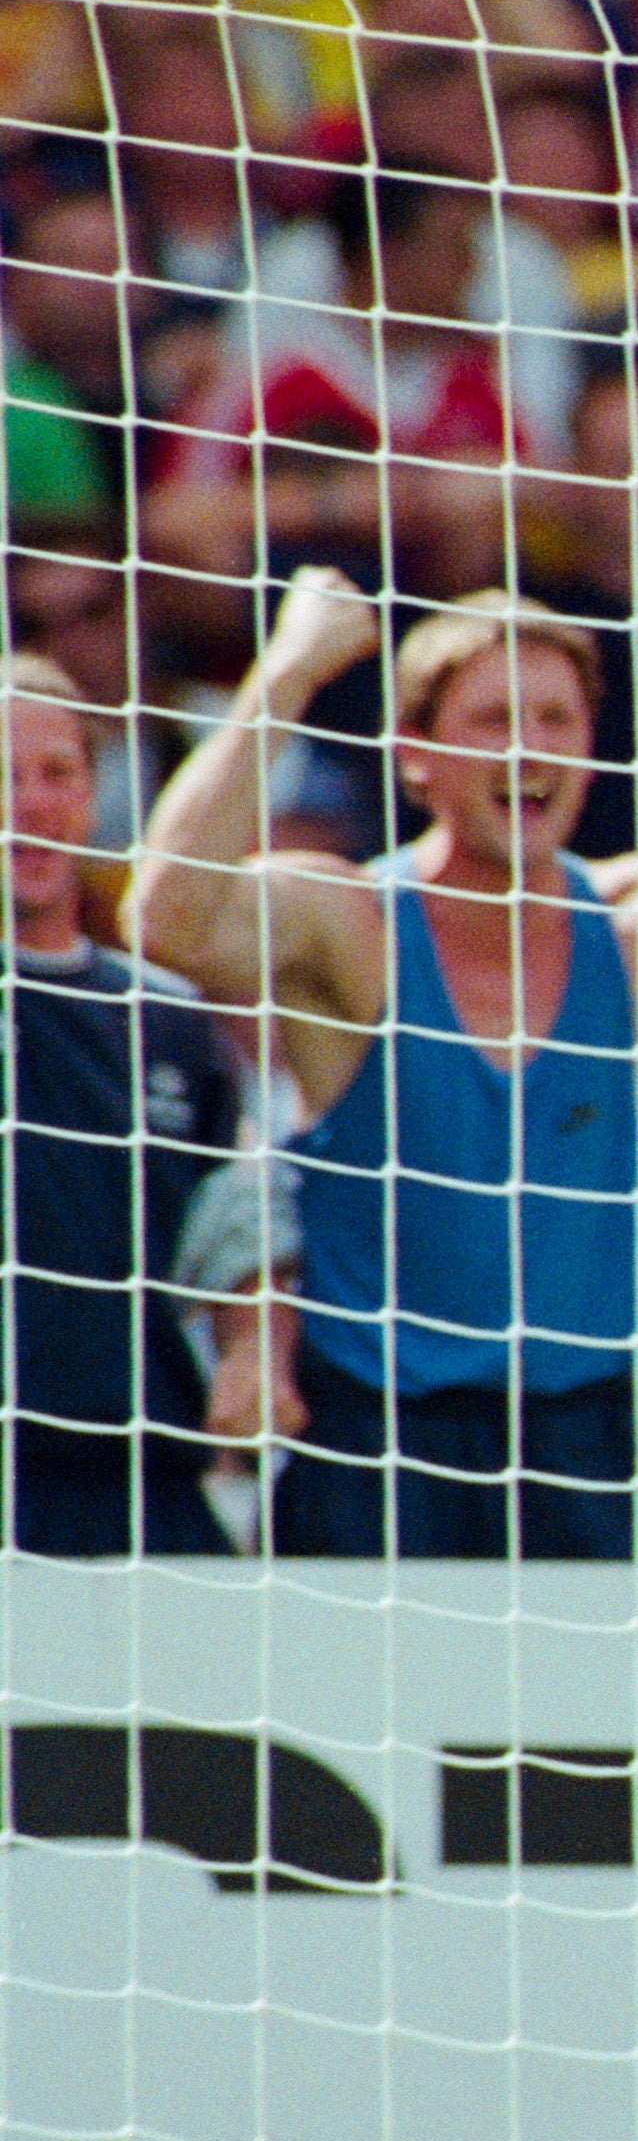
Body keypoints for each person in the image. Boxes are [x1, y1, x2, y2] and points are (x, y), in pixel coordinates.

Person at [125, 570, 638, 1558]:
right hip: (382, 1447)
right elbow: (164, 919)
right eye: (494, 718)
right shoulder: (351, 925)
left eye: (557, 719)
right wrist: (290, 672)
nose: (530, 748)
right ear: (415, 756)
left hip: (598, 1448)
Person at [7, 653, 278, 1553]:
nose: (30, 804)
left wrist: (253, 1351)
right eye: (4, 777)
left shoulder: (167, 1017)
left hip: (143, 1475)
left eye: (58, 775)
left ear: (94, 795)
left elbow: (239, 1221)